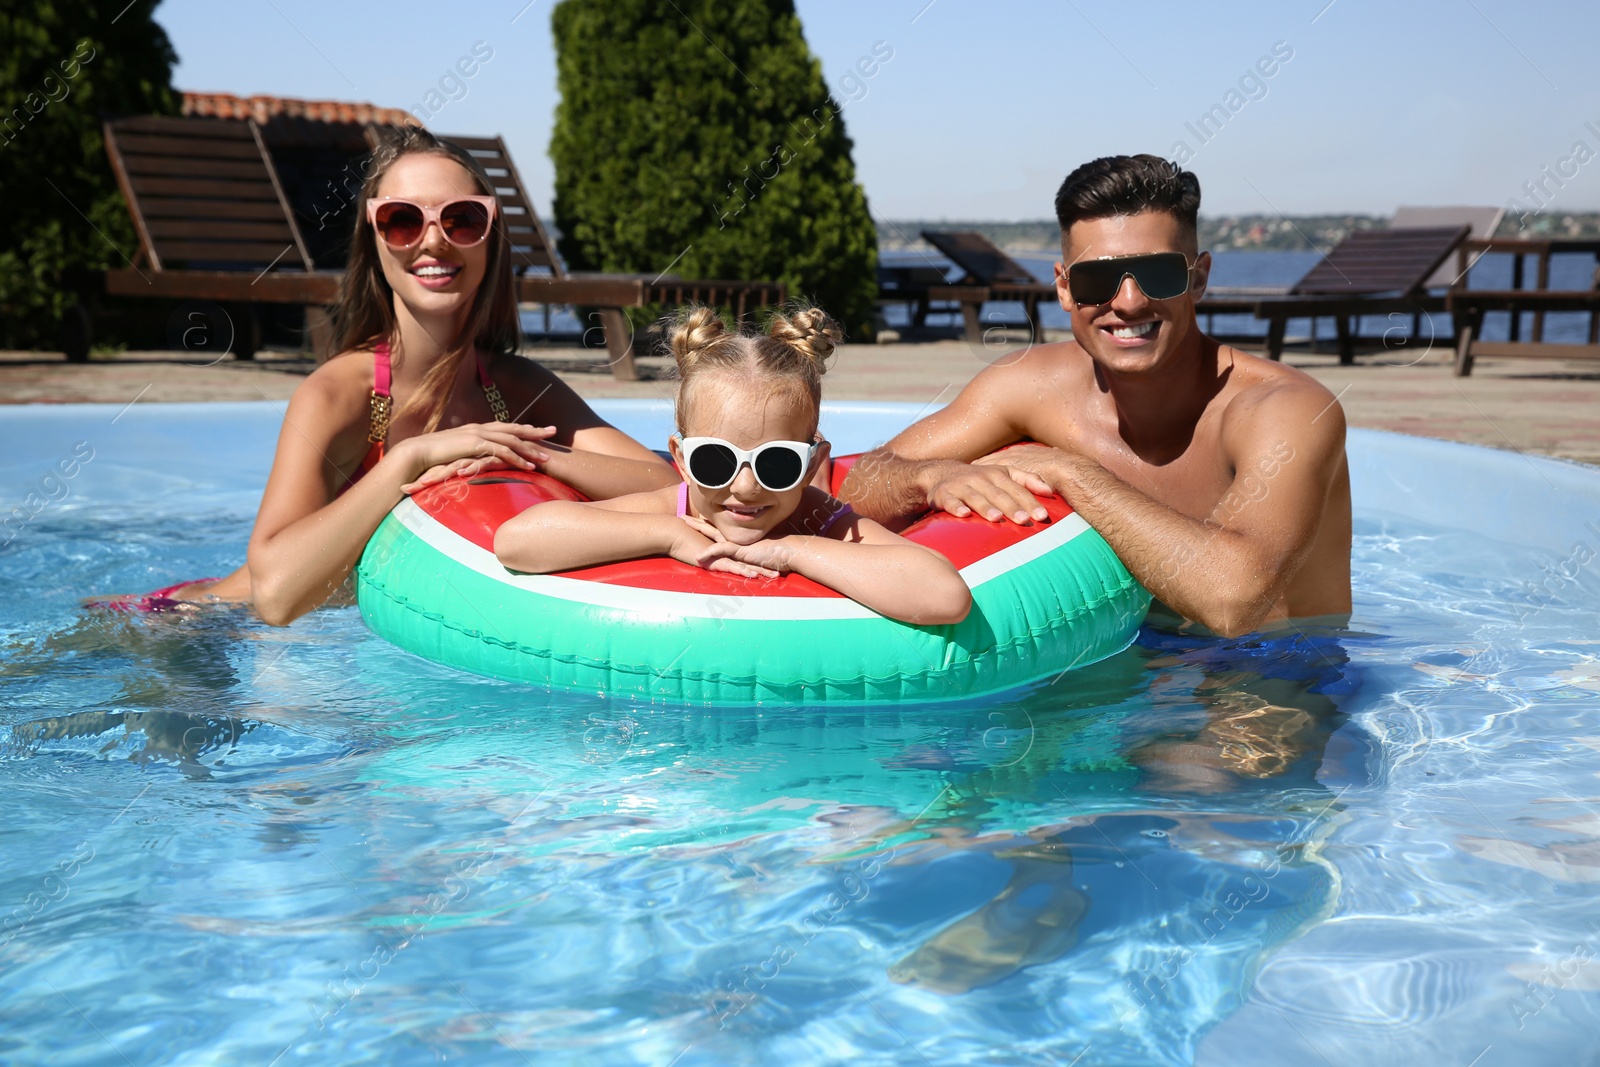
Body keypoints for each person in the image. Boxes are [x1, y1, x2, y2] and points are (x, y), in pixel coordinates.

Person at [103, 127, 675, 624]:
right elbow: (275, 598)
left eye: (462, 218)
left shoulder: (515, 390)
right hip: (197, 625)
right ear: (373, 240)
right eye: (402, 220)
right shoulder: (340, 394)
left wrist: (525, 454)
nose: (433, 239)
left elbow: (672, 486)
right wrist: (410, 460)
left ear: (490, 239)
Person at [840, 154, 1352, 638]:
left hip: (1272, 673)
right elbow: (854, 487)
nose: (1128, 302)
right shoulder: (1030, 386)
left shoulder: (1285, 410)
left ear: (1197, 279)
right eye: (1098, 279)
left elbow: (1233, 602)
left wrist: (1072, 472)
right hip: (1122, 658)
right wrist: (932, 477)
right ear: (1064, 288)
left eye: (1157, 274)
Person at [494, 306, 972, 626]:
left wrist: (793, 551)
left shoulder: (822, 520)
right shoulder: (671, 509)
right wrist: (669, 535)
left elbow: (945, 596)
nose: (744, 488)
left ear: (812, 465)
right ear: (680, 460)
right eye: (715, 460)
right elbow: (518, 541)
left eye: (777, 464)